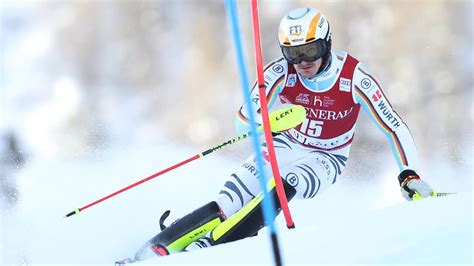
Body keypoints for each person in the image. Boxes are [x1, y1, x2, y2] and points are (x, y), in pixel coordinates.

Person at [120, 7, 434, 263]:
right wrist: (266, 120)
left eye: (311, 50)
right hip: (282, 143)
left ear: (326, 43)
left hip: (326, 158)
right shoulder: (280, 71)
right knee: (229, 201)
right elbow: (243, 120)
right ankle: (153, 250)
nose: (304, 62)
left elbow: (393, 127)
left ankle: (204, 251)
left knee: (285, 186)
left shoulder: (353, 77)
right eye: (294, 53)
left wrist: (408, 174)